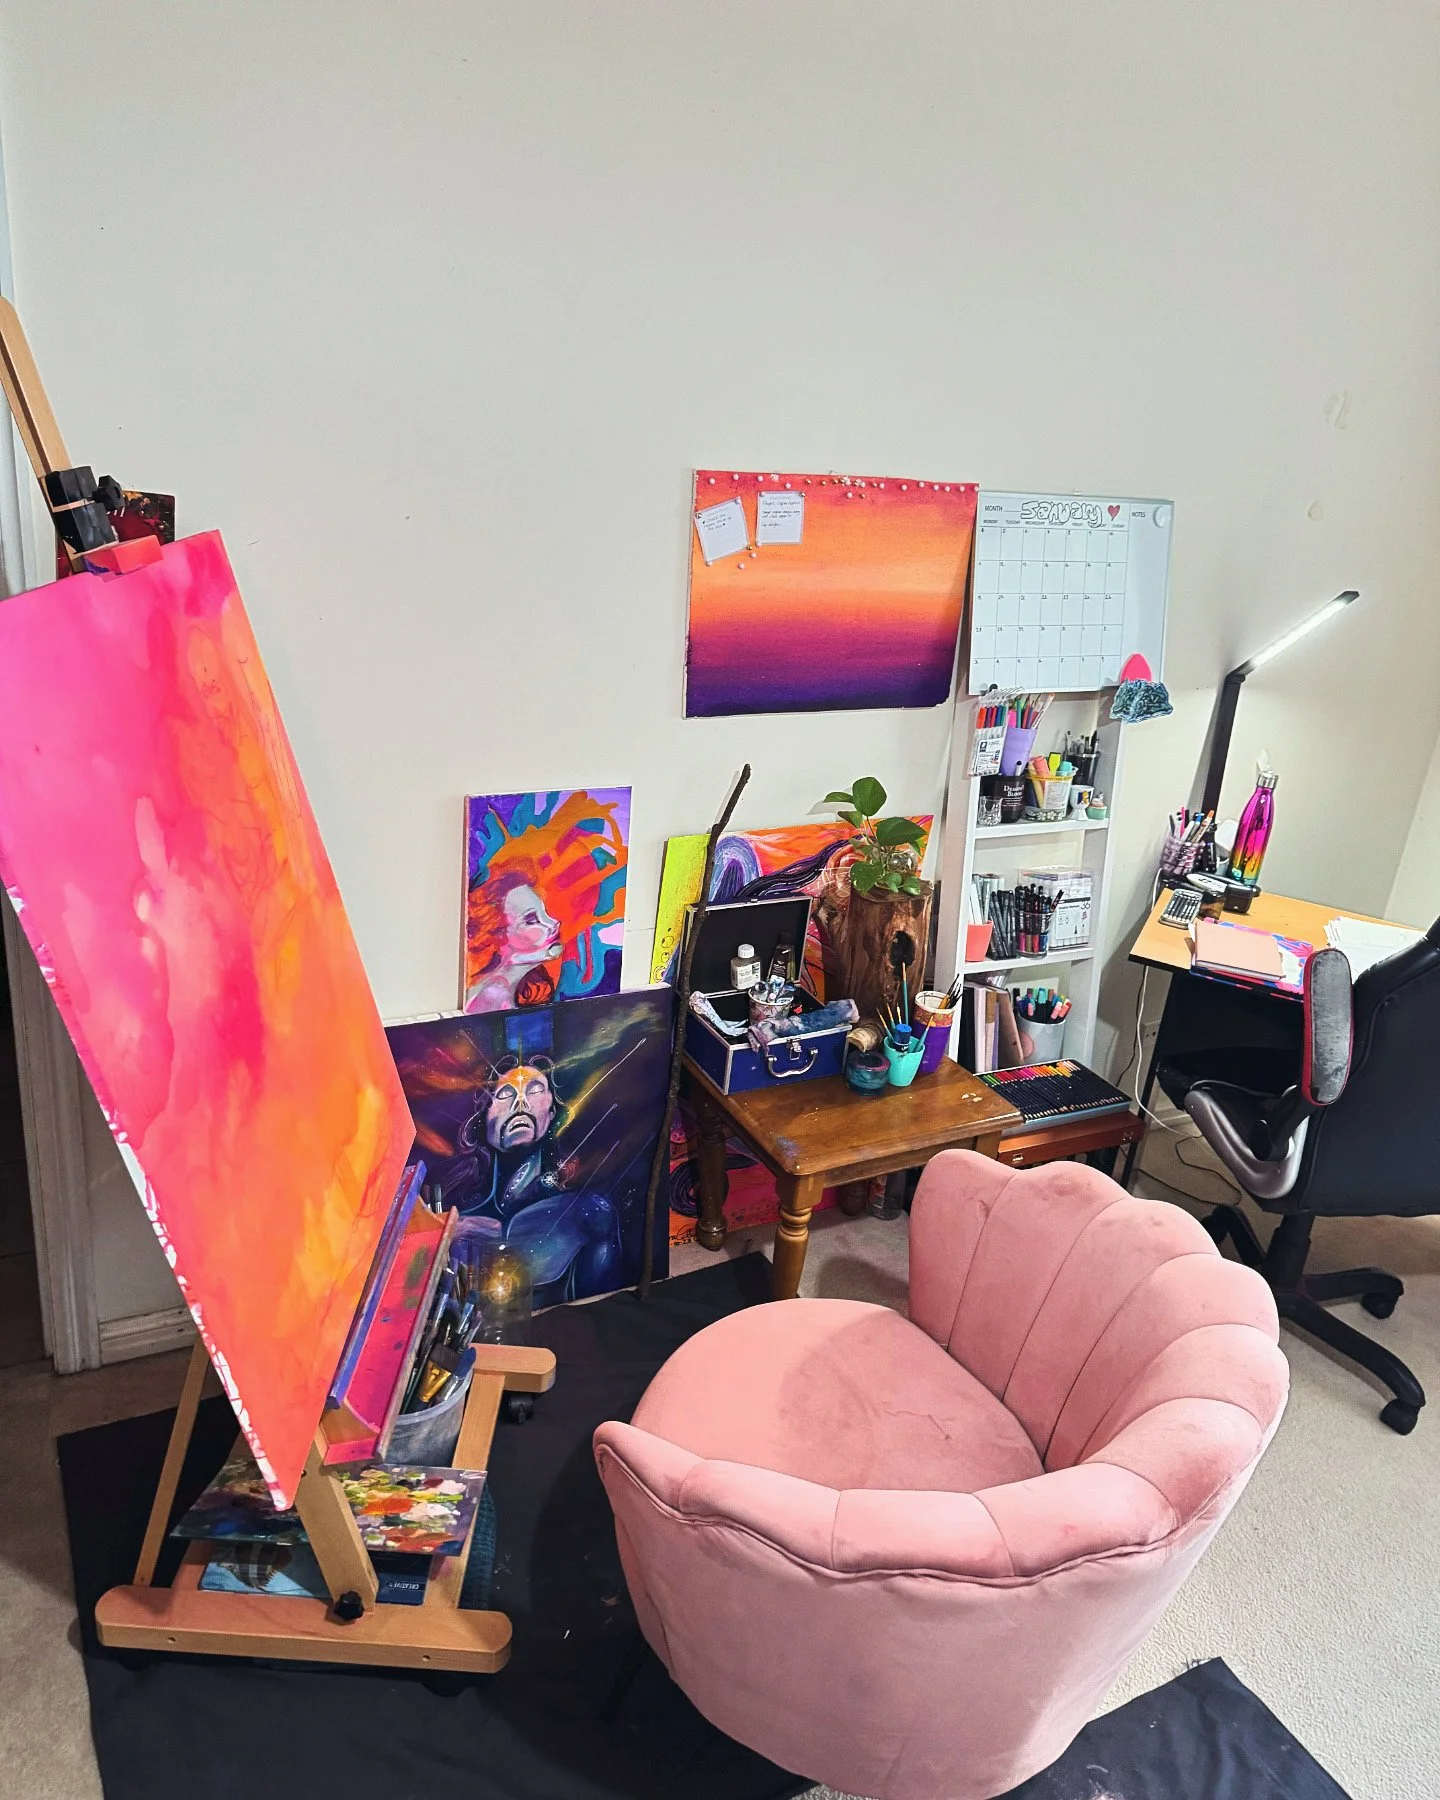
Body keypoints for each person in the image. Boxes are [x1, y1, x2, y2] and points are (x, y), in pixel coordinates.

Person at [449, 1056, 621, 1306]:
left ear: (551, 1113)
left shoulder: (585, 1212)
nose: (520, 1101)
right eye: (505, 1094)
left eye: (536, 1090)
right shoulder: (458, 1213)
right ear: (483, 1118)